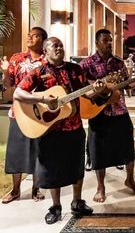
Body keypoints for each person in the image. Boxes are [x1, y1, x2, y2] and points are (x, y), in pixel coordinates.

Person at [14, 37, 105, 224]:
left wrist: (97, 89)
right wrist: (43, 100)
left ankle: (77, 202)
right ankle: (55, 206)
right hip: (50, 130)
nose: (60, 48)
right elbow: (18, 93)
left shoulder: (75, 69)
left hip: (74, 127)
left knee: (77, 166)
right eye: (55, 46)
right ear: (46, 51)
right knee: (52, 170)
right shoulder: (38, 72)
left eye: (61, 46)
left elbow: (86, 93)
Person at [80, 29, 135, 203]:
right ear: (97, 43)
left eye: (111, 40)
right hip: (98, 113)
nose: (109, 43)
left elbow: (128, 85)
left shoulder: (119, 63)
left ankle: (130, 179)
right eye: (105, 40)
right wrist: (94, 91)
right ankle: (100, 187)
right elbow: (80, 89)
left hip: (119, 111)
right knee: (98, 152)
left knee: (128, 148)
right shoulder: (87, 64)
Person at [1, 27, 48, 204]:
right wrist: (5, 71)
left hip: (39, 113)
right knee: (15, 152)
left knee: (38, 150)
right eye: (28, 34)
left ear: (42, 39)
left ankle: (36, 189)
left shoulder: (47, 60)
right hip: (17, 111)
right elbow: (9, 85)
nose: (29, 37)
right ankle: (15, 190)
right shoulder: (16, 59)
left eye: (34, 35)